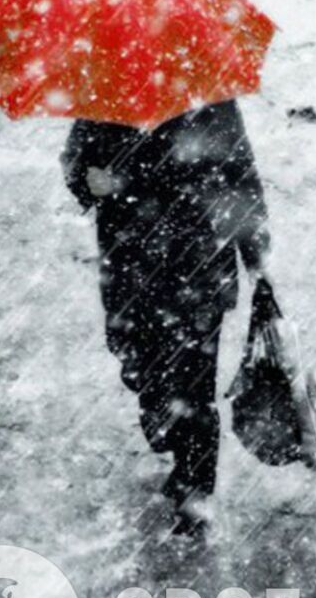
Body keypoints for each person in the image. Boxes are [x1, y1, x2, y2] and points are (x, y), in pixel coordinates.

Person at [61, 99, 270, 534]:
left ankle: (195, 485)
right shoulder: (104, 98)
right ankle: (169, 431)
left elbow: (240, 179)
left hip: (197, 268)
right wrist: (88, 182)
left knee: (194, 385)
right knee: (141, 367)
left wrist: (256, 257)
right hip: (131, 268)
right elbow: (76, 164)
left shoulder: (211, 102)